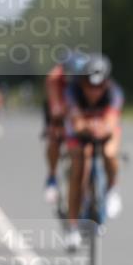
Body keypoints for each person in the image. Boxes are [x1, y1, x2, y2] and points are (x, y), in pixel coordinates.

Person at [62, 54, 125, 251]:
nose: (94, 91)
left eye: (99, 86)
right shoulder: (72, 91)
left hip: (104, 128)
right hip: (79, 131)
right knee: (79, 166)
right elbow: (76, 121)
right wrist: (88, 127)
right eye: (89, 85)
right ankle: (72, 227)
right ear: (82, 81)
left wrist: (102, 128)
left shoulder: (114, 92)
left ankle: (112, 189)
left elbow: (112, 121)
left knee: (109, 152)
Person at [43, 52, 88, 203]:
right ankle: (52, 177)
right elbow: (55, 110)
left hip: (77, 107)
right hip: (59, 106)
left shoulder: (86, 77)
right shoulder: (54, 78)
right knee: (55, 137)